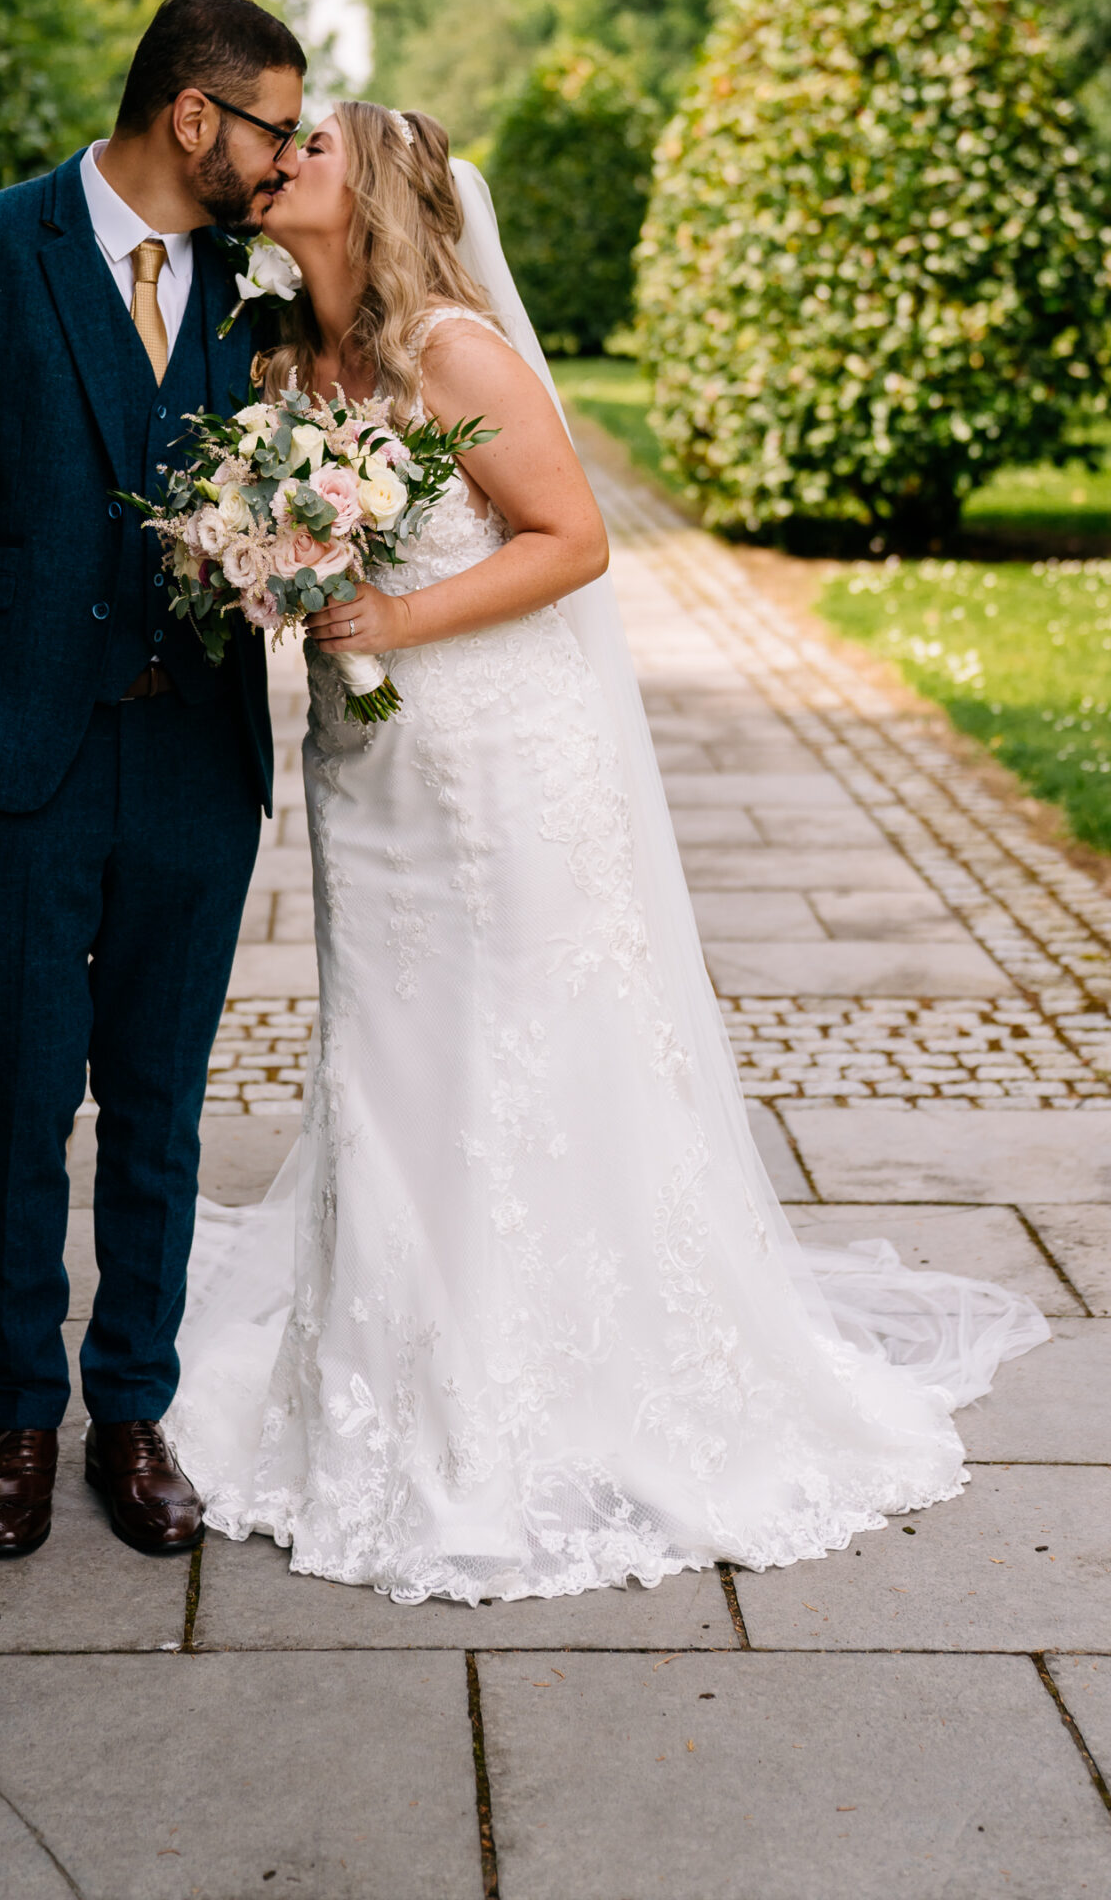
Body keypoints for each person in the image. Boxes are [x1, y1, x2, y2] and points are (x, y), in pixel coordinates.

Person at [164, 100, 1049, 1607]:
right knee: (387, 1056)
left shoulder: (450, 346)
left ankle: (554, 1394)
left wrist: (388, 619)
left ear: (366, 186)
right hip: (367, 770)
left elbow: (572, 538)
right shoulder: (281, 358)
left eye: (308, 147)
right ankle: (389, 1376)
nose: (278, 161)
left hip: (501, 756)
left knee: (519, 1049)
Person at [0, 0, 306, 1562]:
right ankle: (20, 1415)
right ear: (196, 115)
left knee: (163, 1107)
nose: (285, 158)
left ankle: (134, 1410)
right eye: (273, 129)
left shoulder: (264, 295)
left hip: (194, 759)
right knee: (24, 1096)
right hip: (12, 762)